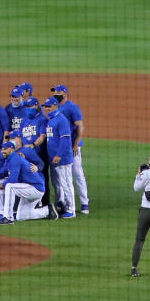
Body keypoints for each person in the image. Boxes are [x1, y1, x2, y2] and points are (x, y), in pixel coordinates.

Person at [51, 84, 89, 214]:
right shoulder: (54, 106)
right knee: (61, 177)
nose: (55, 93)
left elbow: (80, 126)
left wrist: (76, 143)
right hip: (61, 147)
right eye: (54, 92)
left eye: (58, 92)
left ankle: (84, 203)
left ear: (65, 93)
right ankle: (63, 203)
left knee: (77, 174)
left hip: (73, 147)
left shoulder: (72, 107)